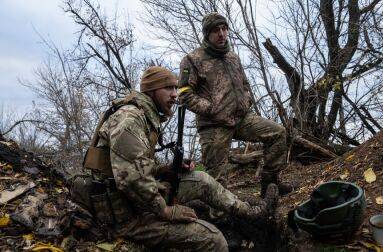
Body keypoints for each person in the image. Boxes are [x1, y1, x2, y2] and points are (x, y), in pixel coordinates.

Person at [74, 66, 278, 251]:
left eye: (175, 88)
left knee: (201, 179)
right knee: (215, 240)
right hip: (124, 215)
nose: (175, 94)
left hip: (134, 201)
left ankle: (251, 212)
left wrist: (166, 169)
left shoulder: (144, 115)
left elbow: (134, 166)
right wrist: (166, 211)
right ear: (151, 91)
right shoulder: (130, 119)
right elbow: (131, 179)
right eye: (168, 88)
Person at [178, 12, 293, 196]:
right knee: (218, 179)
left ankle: (271, 184)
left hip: (241, 118)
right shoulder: (193, 59)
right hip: (214, 125)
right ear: (207, 34)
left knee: (277, 133)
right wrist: (211, 109)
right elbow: (184, 93)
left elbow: (245, 84)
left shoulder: (232, 57)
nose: (222, 34)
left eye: (224, 29)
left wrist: (246, 101)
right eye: (216, 31)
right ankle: (220, 216)